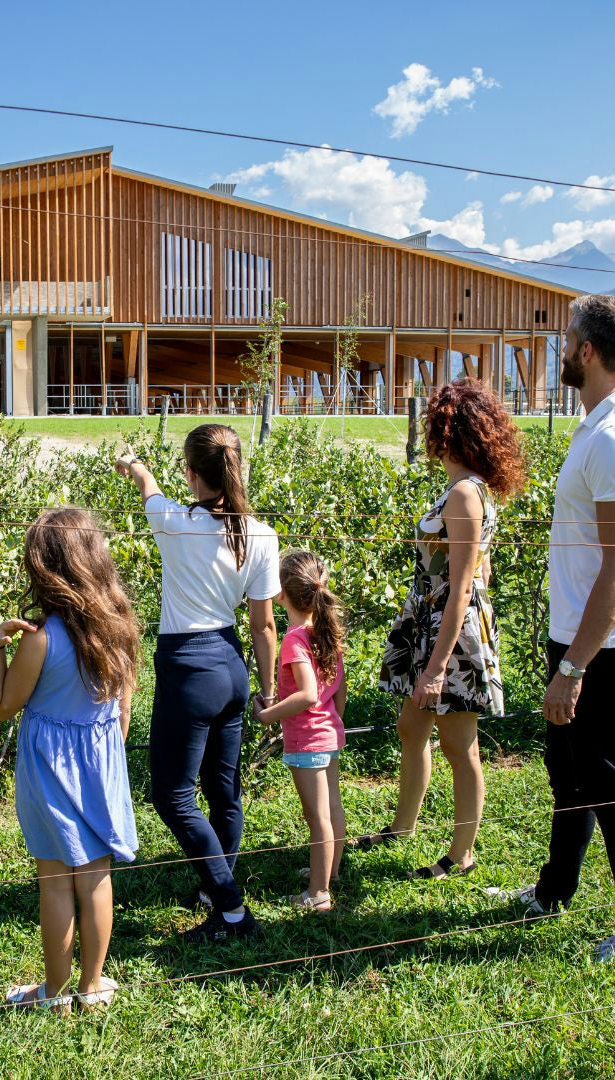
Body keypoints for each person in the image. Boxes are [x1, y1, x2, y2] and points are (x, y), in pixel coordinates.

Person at [115, 424, 279, 943]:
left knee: (171, 795)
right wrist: (267, 689)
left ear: (191, 474)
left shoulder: (174, 522)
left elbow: (150, 491)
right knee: (223, 791)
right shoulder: (261, 535)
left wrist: (138, 468)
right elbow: (264, 626)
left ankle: (230, 909)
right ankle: (215, 888)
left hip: (188, 668)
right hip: (232, 666)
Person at [361, 378, 525, 878]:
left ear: (446, 430)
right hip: (434, 622)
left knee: (459, 745)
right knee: (411, 728)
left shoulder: (463, 495)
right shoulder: (466, 489)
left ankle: (461, 855)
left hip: (449, 633)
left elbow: (461, 589)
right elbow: (481, 571)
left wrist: (435, 668)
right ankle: (403, 826)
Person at [495, 294, 615, 964]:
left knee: (603, 781)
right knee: (568, 772)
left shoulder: (609, 439)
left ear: (587, 351)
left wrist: (575, 668)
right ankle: (554, 890)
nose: (561, 349)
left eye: (567, 339)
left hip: (598, 648)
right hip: (575, 636)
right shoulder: (592, 428)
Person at [0, 507, 141, 1011]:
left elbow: (3, 706)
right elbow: (123, 711)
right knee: (96, 872)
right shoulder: (119, 628)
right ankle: (93, 987)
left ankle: (53, 992)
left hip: (50, 766)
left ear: (44, 569)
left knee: (54, 878)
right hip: (102, 757)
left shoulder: (41, 640)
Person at [254, 552, 346, 912]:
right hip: (329, 733)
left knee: (317, 817)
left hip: (308, 740)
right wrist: (333, 720)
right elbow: (339, 688)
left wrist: (269, 715)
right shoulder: (326, 631)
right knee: (333, 808)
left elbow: (307, 694)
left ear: (280, 593)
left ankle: (318, 893)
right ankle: (331, 870)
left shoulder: (294, 639)